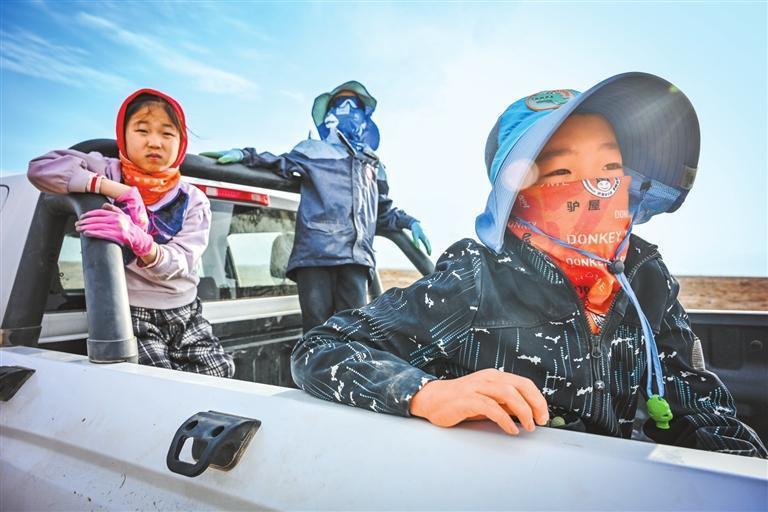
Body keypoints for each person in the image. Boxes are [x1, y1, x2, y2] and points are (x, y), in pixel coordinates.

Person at [289, 73, 767, 457]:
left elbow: (704, 413)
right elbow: (321, 348)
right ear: (515, 200)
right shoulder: (476, 279)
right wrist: (427, 394)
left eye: (609, 168)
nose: (593, 188)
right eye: (560, 172)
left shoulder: (646, 280)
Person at [27, 88, 235, 378]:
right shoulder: (107, 169)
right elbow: (39, 169)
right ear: (123, 135)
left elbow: (182, 261)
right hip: (129, 311)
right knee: (157, 385)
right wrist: (116, 189)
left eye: (167, 133)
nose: (154, 142)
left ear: (181, 143)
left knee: (220, 373)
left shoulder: (193, 198)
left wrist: (142, 243)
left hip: (185, 309)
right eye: (141, 130)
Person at [201, 81, 431, 332]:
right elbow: (279, 163)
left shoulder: (372, 164)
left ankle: (347, 372)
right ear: (329, 114)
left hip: (356, 259)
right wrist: (245, 155)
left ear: (364, 115)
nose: (347, 109)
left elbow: (381, 210)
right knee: (317, 332)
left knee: (354, 332)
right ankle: (314, 371)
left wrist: (410, 222)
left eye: (354, 104)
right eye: (339, 104)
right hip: (315, 257)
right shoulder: (312, 151)